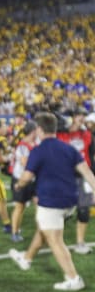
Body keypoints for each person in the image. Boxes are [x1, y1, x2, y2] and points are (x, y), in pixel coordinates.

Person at [9, 112, 95, 291]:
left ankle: (73, 278)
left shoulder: (38, 151)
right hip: (70, 200)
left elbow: (26, 177)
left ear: (39, 129)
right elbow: (87, 172)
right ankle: (26, 259)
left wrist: (18, 185)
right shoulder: (69, 148)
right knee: (44, 230)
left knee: (55, 239)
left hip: (51, 200)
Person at [56, 107, 93, 254]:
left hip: (83, 176)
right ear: (71, 117)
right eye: (78, 115)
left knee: (84, 210)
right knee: (59, 212)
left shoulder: (87, 135)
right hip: (65, 177)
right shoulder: (60, 134)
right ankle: (54, 239)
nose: (81, 118)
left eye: (83, 115)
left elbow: (91, 156)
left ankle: (80, 243)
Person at [9, 121, 38, 242]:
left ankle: (42, 232)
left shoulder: (35, 143)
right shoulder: (22, 145)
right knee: (20, 207)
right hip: (21, 179)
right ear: (33, 131)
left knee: (40, 205)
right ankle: (15, 232)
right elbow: (25, 163)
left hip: (34, 179)